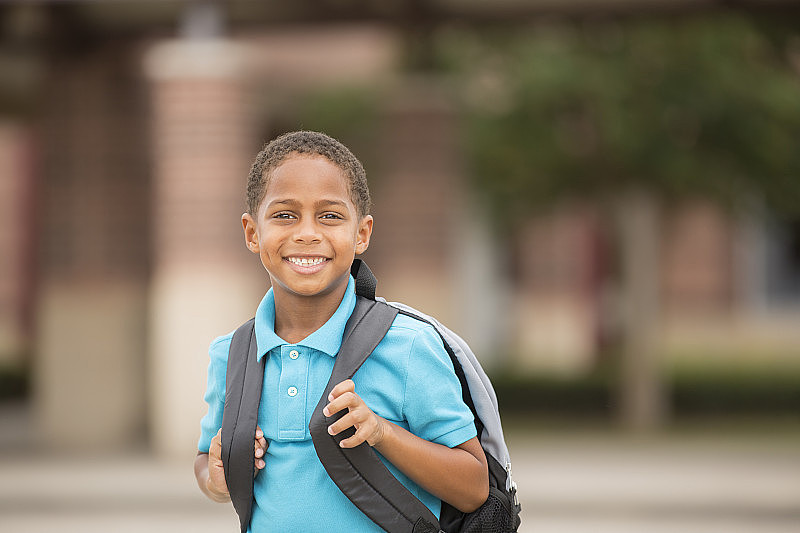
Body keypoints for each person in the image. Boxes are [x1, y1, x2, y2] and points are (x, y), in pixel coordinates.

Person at [193, 130, 489, 532]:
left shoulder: (407, 346)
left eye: (330, 215)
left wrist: (382, 433)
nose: (307, 233)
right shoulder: (232, 355)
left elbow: (474, 487)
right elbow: (206, 462)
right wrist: (215, 476)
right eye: (284, 215)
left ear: (362, 233)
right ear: (251, 232)